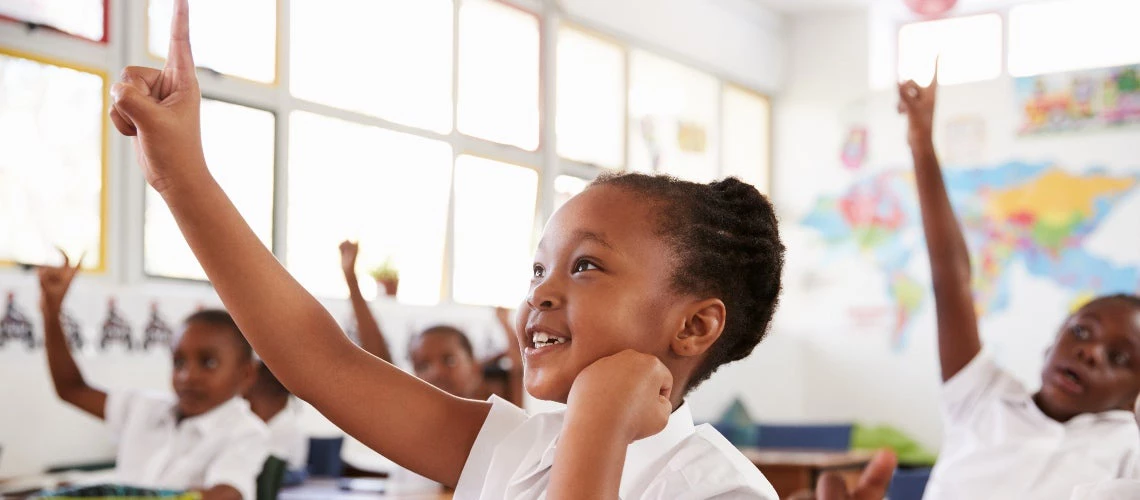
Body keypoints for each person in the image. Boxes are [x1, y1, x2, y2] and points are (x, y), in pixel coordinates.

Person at [109, 2, 785, 496]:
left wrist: (601, 424)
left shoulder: (718, 489)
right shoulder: (521, 449)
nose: (542, 292)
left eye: (586, 265)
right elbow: (318, 360)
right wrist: (181, 178)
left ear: (695, 324)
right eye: (538, 268)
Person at [898, 62, 1140, 500]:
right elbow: (949, 276)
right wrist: (921, 144)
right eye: (1082, 331)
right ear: (1053, 340)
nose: (1089, 352)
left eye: (1119, 358)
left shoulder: (1128, 449)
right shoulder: (982, 397)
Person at [39, 251, 268, 500]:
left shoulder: (246, 432)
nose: (187, 376)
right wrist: (52, 312)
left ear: (246, 374)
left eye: (208, 362)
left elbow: (225, 495)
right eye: (178, 362)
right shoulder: (144, 408)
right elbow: (71, 388)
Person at [339, 240, 523, 404]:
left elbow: (517, 365)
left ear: (475, 368)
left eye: (449, 360)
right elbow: (379, 362)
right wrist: (351, 280)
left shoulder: (500, 408)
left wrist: (505, 324)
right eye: (423, 366)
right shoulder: (418, 412)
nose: (436, 372)